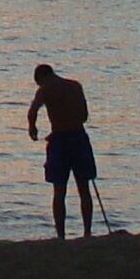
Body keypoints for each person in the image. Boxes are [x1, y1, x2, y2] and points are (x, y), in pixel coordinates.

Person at [28, 62, 97, 236]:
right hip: (79, 137)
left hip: (59, 140)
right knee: (84, 188)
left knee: (59, 191)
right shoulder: (75, 86)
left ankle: (61, 235)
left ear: (41, 77)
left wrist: (32, 127)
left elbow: (33, 110)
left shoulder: (44, 90)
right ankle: (87, 232)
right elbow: (84, 116)